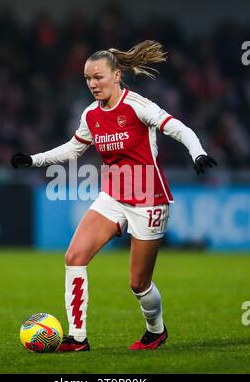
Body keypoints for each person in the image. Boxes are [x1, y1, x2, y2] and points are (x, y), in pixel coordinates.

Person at [11, 40, 217, 351]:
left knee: (138, 283)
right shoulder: (91, 114)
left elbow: (179, 128)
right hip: (113, 196)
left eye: (98, 77)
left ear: (116, 75)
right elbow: (74, 148)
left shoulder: (138, 105)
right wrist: (34, 159)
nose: (93, 84)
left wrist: (198, 153)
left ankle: (156, 330)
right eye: (88, 79)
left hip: (149, 198)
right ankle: (77, 338)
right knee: (74, 257)